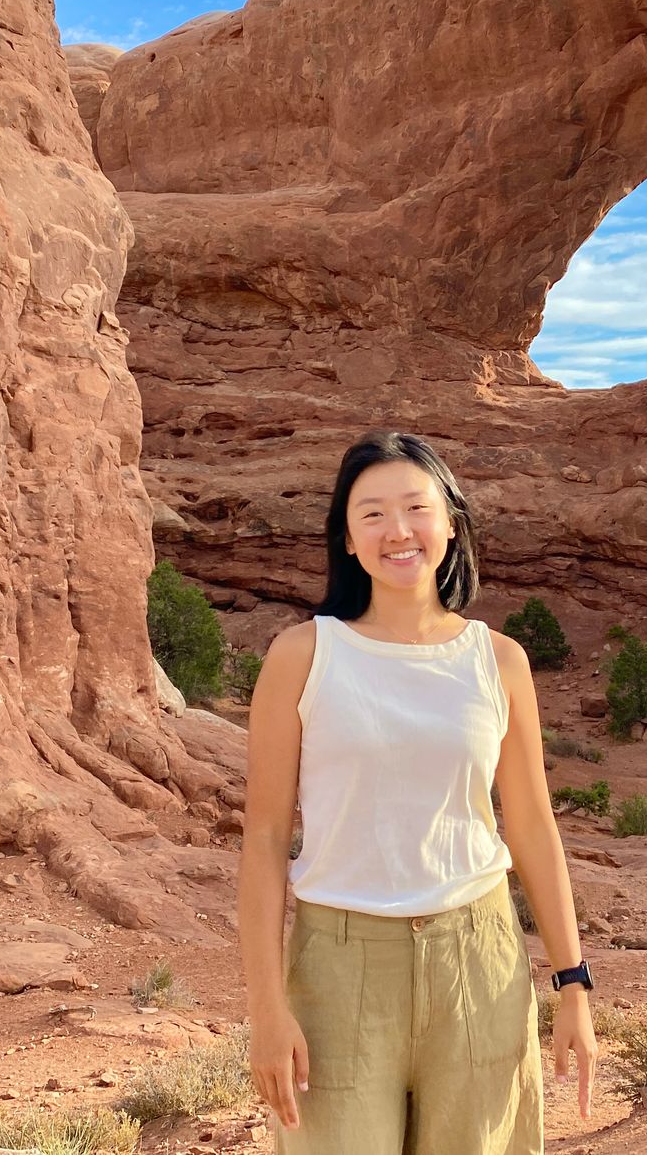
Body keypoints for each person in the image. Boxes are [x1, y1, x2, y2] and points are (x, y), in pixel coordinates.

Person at [238, 429, 597, 1152]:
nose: (398, 531)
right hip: (338, 971)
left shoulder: (498, 661)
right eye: (371, 513)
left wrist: (573, 982)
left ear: (451, 522)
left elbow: (529, 827)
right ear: (345, 537)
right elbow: (266, 838)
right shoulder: (303, 655)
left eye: (416, 508)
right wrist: (267, 1012)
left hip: (479, 960)